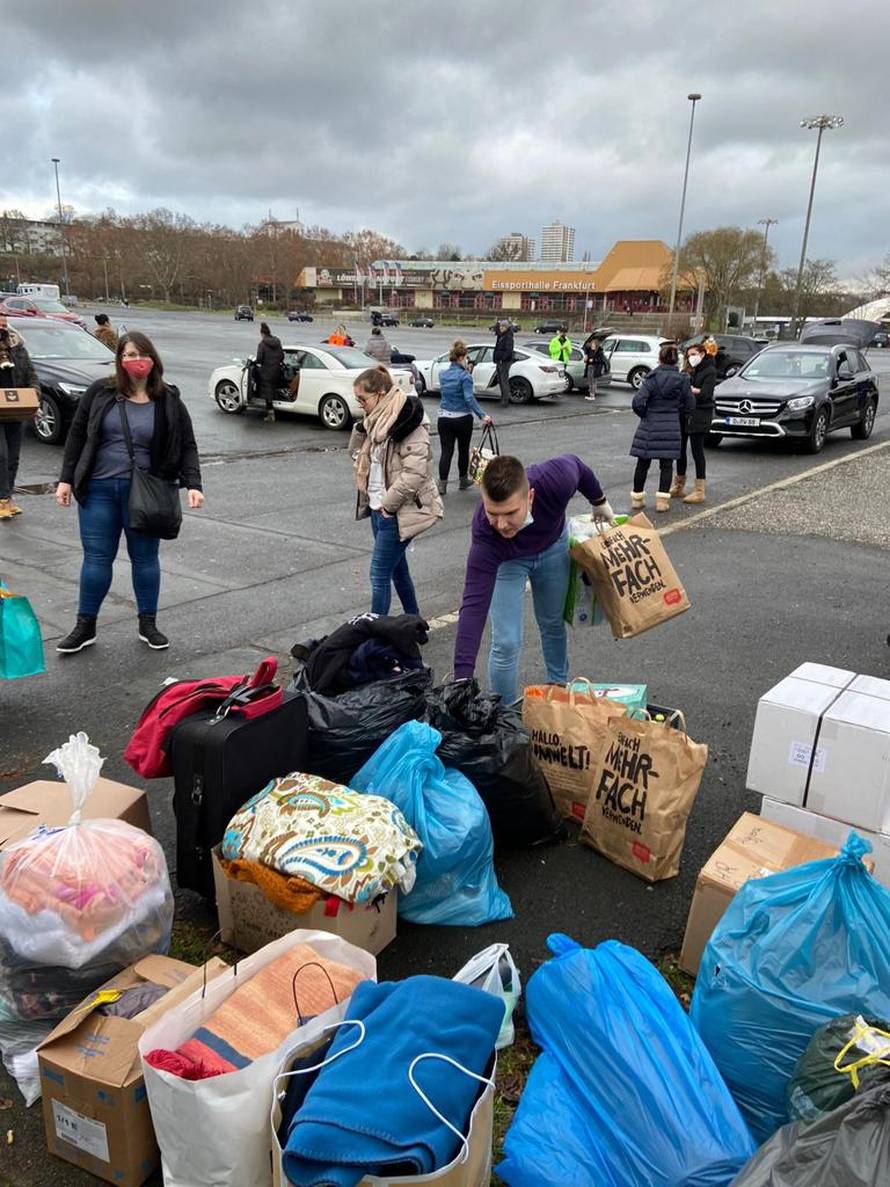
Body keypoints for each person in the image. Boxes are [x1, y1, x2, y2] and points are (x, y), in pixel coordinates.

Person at [54, 331, 203, 654]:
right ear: (120, 360)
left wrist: (194, 484)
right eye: (130, 354)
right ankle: (85, 626)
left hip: (145, 494)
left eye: (142, 354)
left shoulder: (168, 399)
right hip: (98, 490)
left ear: (153, 359)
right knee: (96, 559)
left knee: (145, 559)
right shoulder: (100, 392)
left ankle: (148, 623)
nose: (137, 360)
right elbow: (77, 434)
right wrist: (66, 479)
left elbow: (187, 444)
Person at [453, 453, 614, 704]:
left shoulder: (555, 480)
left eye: (510, 513)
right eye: (493, 513)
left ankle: (558, 687)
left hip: (553, 547)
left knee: (552, 621)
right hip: (508, 562)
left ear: (530, 497)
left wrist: (599, 500)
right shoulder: (486, 534)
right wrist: (461, 678)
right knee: (506, 642)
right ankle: (503, 712)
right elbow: (473, 606)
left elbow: (579, 467)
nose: (501, 524)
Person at [350, 365, 442, 616]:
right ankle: (415, 623)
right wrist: (361, 429)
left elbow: (415, 473)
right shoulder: (374, 421)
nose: (359, 404)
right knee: (398, 571)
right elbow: (355, 454)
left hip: (396, 511)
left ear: (380, 394)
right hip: (377, 509)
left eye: (362, 399)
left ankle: (375, 631)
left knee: (379, 573)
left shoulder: (408, 422)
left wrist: (388, 506)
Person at [629, 343, 694, 514]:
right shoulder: (682, 380)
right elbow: (690, 404)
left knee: (643, 463)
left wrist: (645, 414)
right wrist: (677, 412)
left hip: (649, 424)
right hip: (671, 424)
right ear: (676, 361)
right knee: (666, 465)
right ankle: (662, 502)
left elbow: (637, 402)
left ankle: (637, 499)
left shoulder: (652, 378)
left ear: (660, 359)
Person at [436, 340, 492, 495]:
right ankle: (462, 479)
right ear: (461, 358)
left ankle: (442, 484)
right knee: (463, 450)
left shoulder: (443, 374)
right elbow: (469, 398)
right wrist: (482, 415)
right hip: (462, 418)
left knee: (446, 451)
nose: (467, 361)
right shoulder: (465, 376)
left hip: (444, 418)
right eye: (466, 358)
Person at [0, 318, 38, 520]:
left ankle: (8, 497)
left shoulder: (18, 347)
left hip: (16, 409)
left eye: (4, 325)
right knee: (1, 456)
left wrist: (34, 393)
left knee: (13, 457)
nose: (2, 328)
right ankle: (2, 499)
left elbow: (31, 374)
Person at [671, 342, 716, 504]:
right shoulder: (687, 370)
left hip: (700, 415)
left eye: (693, 354)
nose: (691, 358)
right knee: (680, 450)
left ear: (702, 354)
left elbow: (706, 394)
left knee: (697, 452)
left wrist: (691, 389)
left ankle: (699, 490)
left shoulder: (709, 371)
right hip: (684, 414)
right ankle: (679, 485)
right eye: (689, 355)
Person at [255, 321, 284, 423]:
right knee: (273, 390)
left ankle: (270, 415)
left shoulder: (262, 344)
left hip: (266, 372)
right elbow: (282, 356)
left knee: (267, 394)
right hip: (277, 371)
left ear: (262, 333)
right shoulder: (277, 342)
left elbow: (259, 359)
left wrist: (258, 363)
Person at [493, 319, 515, 407]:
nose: (501, 328)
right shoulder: (501, 335)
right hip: (499, 361)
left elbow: (509, 351)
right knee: (500, 380)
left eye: (503, 326)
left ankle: (505, 400)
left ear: (507, 327)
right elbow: (496, 331)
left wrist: (502, 358)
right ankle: (503, 397)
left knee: (504, 381)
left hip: (504, 362)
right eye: (500, 326)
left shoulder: (508, 337)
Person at [581, 334, 607, 402]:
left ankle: (592, 395)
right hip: (589, 366)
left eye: (593, 344)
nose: (592, 345)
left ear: (596, 344)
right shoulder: (589, 350)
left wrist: (594, 360)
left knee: (593, 381)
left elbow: (601, 360)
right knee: (590, 380)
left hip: (595, 367)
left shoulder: (599, 351)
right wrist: (586, 358)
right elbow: (585, 348)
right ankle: (590, 393)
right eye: (592, 344)